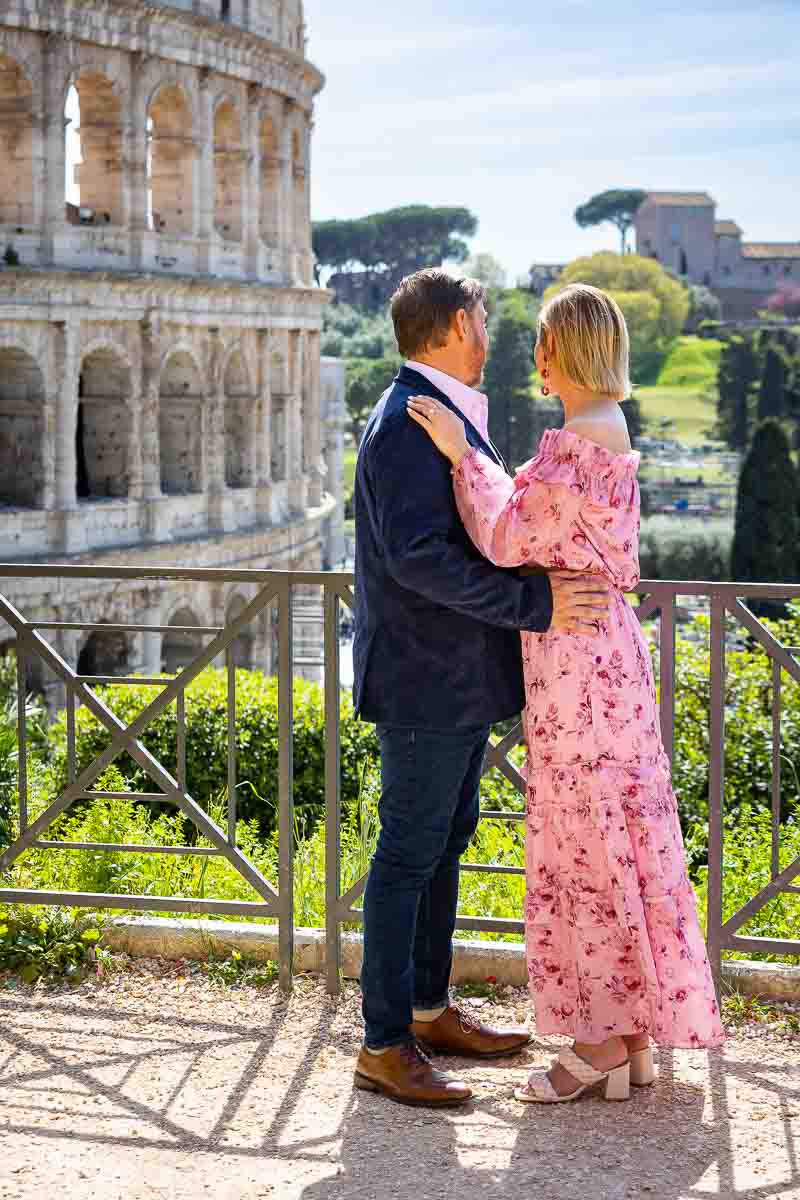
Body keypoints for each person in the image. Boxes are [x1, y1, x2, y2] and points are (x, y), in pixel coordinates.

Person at [408, 282, 725, 1106]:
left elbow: (507, 536)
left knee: (585, 848)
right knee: (618, 836)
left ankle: (593, 1044)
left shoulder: (577, 441)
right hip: (603, 659)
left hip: (578, 671)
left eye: (545, 342)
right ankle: (625, 1038)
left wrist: (459, 455)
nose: (536, 356)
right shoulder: (604, 430)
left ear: (568, 350)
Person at [351, 269, 612, 1108]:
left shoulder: (439, 412)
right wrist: (535, 602)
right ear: (460, 323)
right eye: (485, 318)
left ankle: (428, 1011)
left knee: (442, 842)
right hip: (426, 682)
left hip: (453, 680)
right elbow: (420, 560)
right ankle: (384, 1043)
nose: (492, 332)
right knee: (406, 856)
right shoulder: (405, 424)